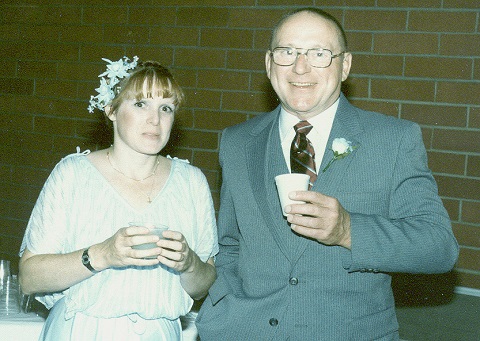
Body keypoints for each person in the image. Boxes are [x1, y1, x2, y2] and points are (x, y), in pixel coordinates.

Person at [196, 7, 458, 340]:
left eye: (319, 53)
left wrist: (349, 230)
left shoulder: (393, 139)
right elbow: (230, 246)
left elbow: (439, 247)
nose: (300, 67)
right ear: (268, 63)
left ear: (345, 65)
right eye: (286, 52)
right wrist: (221, 317)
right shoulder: (236, 141)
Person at [18, 57, 218, 340]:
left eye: (166, 108)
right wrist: (104, 254)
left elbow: (202, 285)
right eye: (140, 104)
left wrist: (189, 264)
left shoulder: (191, 181)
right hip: (81, 330)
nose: (155, 120)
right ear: (111, 109)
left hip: (159, 333)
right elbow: (29, 279)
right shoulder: (73, 174)